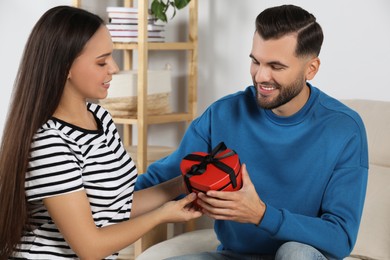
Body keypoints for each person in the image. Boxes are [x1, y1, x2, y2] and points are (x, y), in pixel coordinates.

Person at [135, 4, 369, 260]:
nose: (260, 76)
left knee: (294, 252)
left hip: (300, 256)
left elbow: (341, 237)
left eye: (276, 66)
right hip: (234, 255)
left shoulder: (344, 129)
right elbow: (162, 181)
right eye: (256, 61)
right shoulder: (223, 114)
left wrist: (260, 214)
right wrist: (93, 201)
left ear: (310, 69)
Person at [0, 6, 202, 260]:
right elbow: (90, 248)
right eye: (101, 62)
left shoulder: (101, 119)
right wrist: (162, 215)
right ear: (65, 67)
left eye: (112, 58)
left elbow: (116, 207)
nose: (114, 68)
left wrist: (182, 184)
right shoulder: (49, 143)